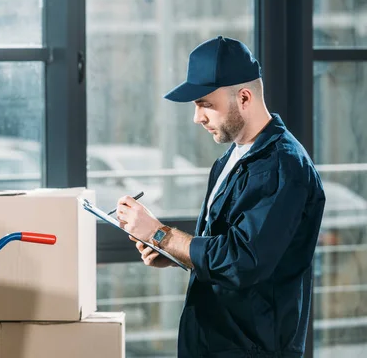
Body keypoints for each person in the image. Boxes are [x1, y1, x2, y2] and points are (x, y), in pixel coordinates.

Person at [116, 36, 326, 358]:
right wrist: (171, 252)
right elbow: (221, 248)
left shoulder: (284, 168)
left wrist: (160, 233)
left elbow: (241, 261)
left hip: (253, 348)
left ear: (244, 97)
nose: (197, 117)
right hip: (213, 341)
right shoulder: (232, 158)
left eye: (205, 104)